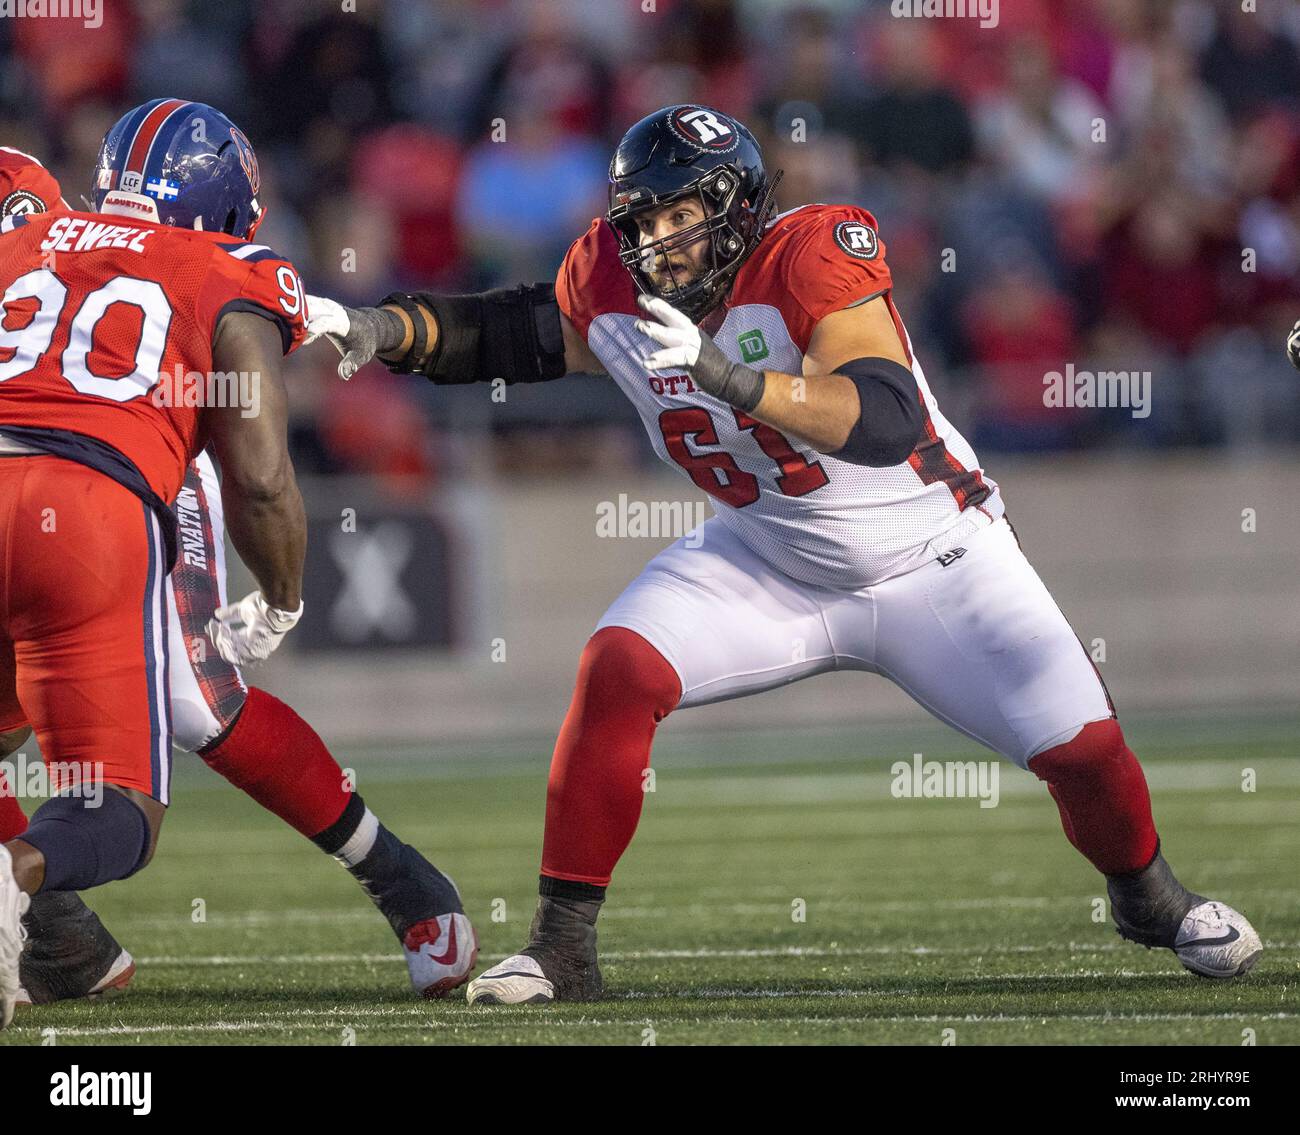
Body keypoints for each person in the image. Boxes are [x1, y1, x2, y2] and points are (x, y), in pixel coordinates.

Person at [308, 105, 1262, 1004]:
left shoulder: (813, 248)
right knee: (619, 665)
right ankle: (562, 945)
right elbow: (513, 333)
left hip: (937, 555)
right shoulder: (611, 273)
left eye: (678, 218)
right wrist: (380, 328)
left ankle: (1149, 895)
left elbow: (884, 418)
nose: (653, 245)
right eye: (638, 222)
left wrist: (731, 378)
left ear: (733, 210)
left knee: (1087, 754)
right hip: (767, 553)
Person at [0, 102, 476, 1024]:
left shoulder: (31, 225)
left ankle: (62, 928)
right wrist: (289, 599)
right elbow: (261, 475)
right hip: (110, 478)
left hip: (58, 451)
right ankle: (46, 910)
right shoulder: (230, 268)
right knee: (172, 717)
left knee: (181, 692)